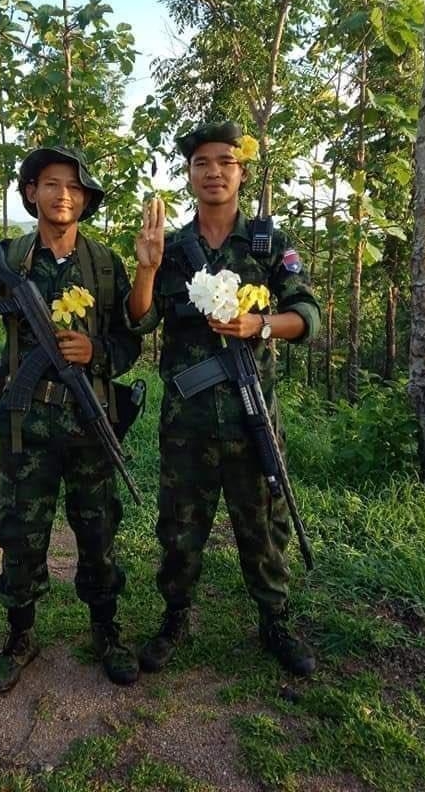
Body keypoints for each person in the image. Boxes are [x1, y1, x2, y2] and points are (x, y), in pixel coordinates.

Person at [0, 146, 143, 692]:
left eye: (74, 187)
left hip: (90, 427)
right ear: (32, 192)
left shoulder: (105, 263)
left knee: (99, 529)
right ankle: (20, 637)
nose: (63, 195)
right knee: (20, 534)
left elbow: (131, 341)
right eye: (51, 183)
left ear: (85, 200)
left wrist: (97, 353)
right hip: (25, 428)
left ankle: (106, 631)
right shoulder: (10, 258)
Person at [127, 121, 321, 676]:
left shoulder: (268, 244)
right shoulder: (172, 248)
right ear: (189, 175)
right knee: (179, 527)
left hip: (250, 414)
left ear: (241, 171)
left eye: (225, 163)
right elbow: (139, 320)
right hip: (186, 420)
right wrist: (145, 265)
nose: (214, 172)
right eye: (202, 163)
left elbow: (306, 316)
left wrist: (259, 324)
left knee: (263, 525)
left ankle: (274, 621)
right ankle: (174, 617)